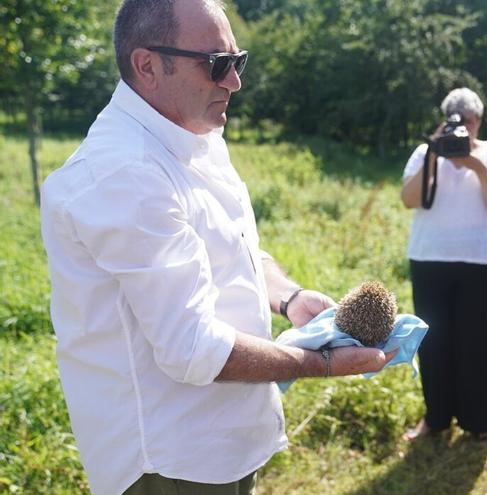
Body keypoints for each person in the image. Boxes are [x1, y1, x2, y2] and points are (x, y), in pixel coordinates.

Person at [40, 1, 394, 493]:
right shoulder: (126, 173)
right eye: (216, 65)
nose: (234, 82)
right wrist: (323, 363)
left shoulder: (193, 132)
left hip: (216, 442)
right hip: (172, 460)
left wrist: (288, 298)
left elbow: (234, 248)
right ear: (147, 65)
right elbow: (192, 350)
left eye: (237, 60)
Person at [399, 87, 487, 443]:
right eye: (455, 120)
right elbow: (409, 199)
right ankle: (435, 418)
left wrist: (475, 163)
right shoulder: (425, 152)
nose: (462, 128)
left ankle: (482, 422)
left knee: (481, 344)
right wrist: (435, 155)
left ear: (478, 122)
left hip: (485, 262)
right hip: (431, 259)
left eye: (468, 121)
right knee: (434, 343)